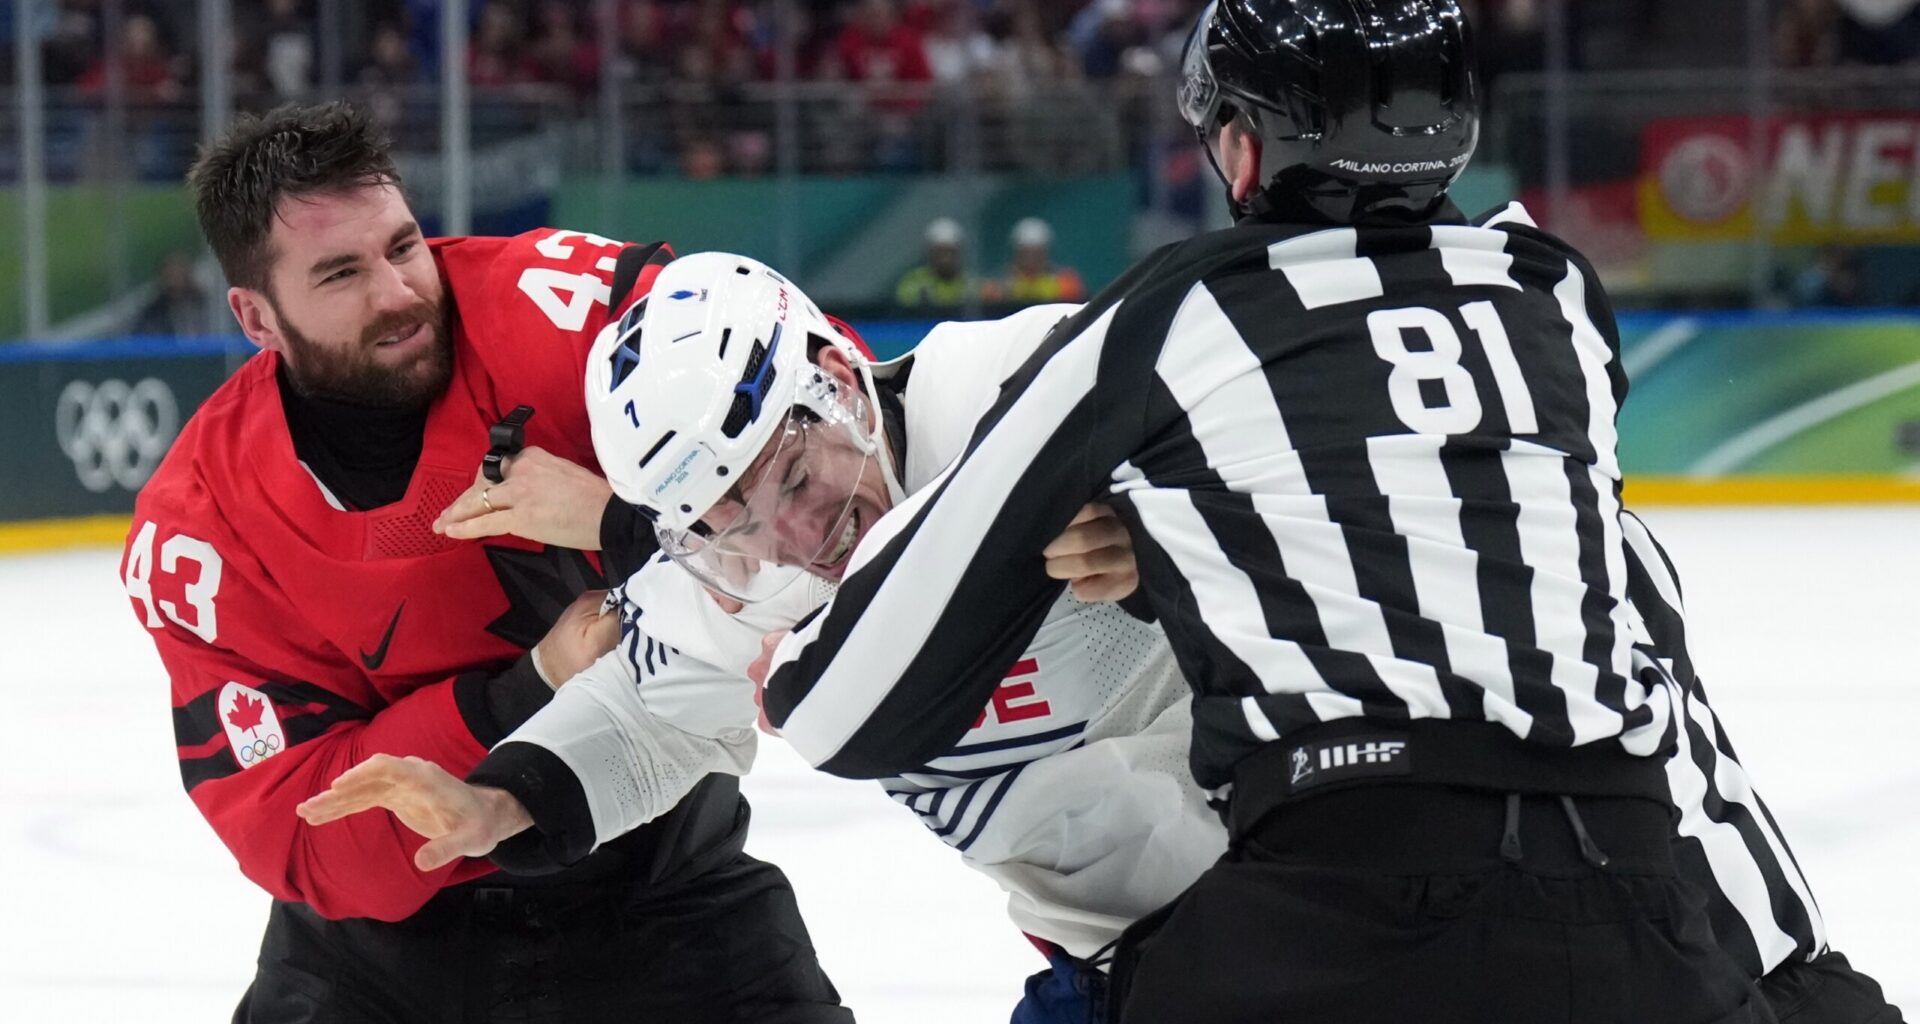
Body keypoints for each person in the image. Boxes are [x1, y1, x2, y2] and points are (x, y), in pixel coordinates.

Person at [749, 1, 1891, 1019]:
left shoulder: (1179, 309)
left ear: (1245, 147)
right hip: (1638, 903)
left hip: (1345, 902)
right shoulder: (1556, 295)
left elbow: (847, 710)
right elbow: (1462, 532)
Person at [297, 254, 1230, 1024]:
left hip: (1320, 885)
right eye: (726, 523)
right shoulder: (746, 583)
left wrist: (1168, 536)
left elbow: (1330, 472)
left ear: (835, 379)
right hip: (1117, 969)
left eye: (789, 481)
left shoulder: (1032, 386)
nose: (794, 542)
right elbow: (641, 715)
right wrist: (494, 803)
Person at [121, 102, 850, 1024]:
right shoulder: (207, 521)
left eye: (402, 245)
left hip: (661, 881)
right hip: (377, 965)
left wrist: (625, 521)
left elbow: (839, 449)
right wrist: (528, 687)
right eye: (340, 273)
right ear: (255, 317)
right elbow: (303, 833)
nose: (397, 293)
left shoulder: (567, 317)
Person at [984, 217, 1086, 308]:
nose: (1031, 258)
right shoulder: (997, 286)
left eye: (1037, 252)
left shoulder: (1066, 282)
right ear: (1016, 253)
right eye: (1026, 252)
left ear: (1046, 252)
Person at [895, 216, 974, 311]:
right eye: (940, 252)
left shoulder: (971, 284)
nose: (945, 258)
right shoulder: (912, 283)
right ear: (929, 253)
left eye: (950, 252)